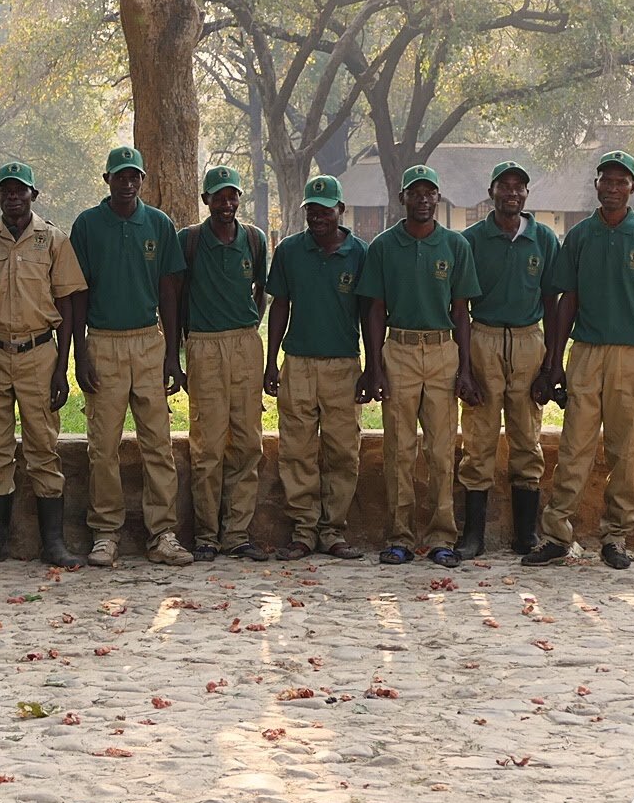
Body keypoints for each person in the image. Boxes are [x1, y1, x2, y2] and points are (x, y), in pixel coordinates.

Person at [524, 151, 634, 570]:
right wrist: (554, 363)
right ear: (595, 185)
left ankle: (616, 536)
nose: (612, 188)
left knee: (624, 449)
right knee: (574, 445)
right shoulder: (579, 237)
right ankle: (558, 534)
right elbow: (565, 302)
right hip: (587, 352)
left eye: (620, 182)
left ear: (633, 188)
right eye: (605, 181)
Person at [0, 161, 88, 567]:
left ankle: (53, 542)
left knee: (43, 447)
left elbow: (68, 303)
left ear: (34, 194)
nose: (13, 197)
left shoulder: (52, 240)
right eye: (6, 191)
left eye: (21, 190)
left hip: (39, 352)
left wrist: (61, 367)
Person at [71, 145, 191, 567]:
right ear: (107, 180)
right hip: (103, 340)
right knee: (102, 444)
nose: (127, 184)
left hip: (148, 340)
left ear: (143, 180)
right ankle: (105, 531)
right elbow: (77, 294)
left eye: (134, 177)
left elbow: (169, 292)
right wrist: (79, 351)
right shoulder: (88, 225)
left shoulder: (158, 224)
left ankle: (163, 533)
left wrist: (172, 355)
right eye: (119, 177)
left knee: (157, 442)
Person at [360, 165, 482, 568]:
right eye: (416, 193)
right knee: (399, 447)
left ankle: (442, 535)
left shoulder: (455, 245)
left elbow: (461, 311)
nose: (423, 199)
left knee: (443, 449)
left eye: (430, 193)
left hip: (442, 350)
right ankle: (399, 536)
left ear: (438, 198)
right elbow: (374, 309)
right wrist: (374, 364)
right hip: (400, 349)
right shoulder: (383, 246)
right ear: (403, 199)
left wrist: (465, 368)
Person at [457, 161, 560, 557]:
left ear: (527, 195)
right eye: (505, 186)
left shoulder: (544, 240)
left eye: (519, 187)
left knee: (527, 435)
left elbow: (552, 302)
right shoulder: (470, 240)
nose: (512, 193)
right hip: (483, 335)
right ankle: (473, 536)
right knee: (479, 435)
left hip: (528, 339)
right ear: (492, 191)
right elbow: (461, 305)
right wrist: (465, 366)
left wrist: (551, 364)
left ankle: (525, 535)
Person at [264, 175, 369, 562]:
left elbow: (371, 311)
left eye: (325, 209)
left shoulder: (360, 253)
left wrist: (372, 366)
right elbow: (280, 306)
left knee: (343, 451)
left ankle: (333, 531)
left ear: (340, 210)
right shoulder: (291, 251)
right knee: (297, 450)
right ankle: (303, 530)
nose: (318, 216)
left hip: (343, 364)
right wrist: (271, 361)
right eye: (311, 208)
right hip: (299, 363)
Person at [179, 165, 271, 562]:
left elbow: (262, 291)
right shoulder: (191, 241)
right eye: (218, 197)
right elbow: (176, 296)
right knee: (207, 445)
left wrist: (249, 331)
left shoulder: (254, 239)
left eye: (232, 196)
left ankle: (237, 532)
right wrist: (179, 350)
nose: (227, 203)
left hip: (245, 343)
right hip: (204, 344)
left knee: (248, 442)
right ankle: (206, 534)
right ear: (206, 201)